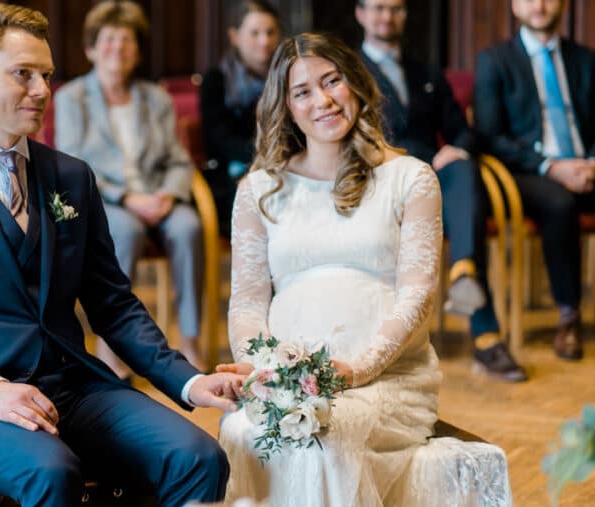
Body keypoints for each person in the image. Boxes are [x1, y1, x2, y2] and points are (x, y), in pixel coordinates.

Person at [0, 1, 243, 507]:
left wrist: (190, 380)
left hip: (73, 387)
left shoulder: (70, 177)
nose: (43, 90)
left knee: (196, 457)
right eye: (23, 74)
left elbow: (113, 304)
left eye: (46, 75)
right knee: (52, 473)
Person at [216, 33, 510, 506]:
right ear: (287, 107)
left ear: (355, 83)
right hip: (288, 380)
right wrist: (262, 369)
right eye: (303, 91)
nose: (324, 100)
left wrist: (357, 370)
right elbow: (249, 299)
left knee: (324, 439)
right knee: (244, 430)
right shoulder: (258, 189)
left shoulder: (411, 178)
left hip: (385, 379)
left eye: (333, 81)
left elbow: (417, 294)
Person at [354, 0, 525, 381]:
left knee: (465, 167)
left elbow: (463, 128)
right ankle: (394, 343)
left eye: (395, 8)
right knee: (447, 182)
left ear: (405, 15)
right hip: (377, 178)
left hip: (433, 174)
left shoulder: (424, 70)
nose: (387, 16)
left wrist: (457, 147)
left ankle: (469, 284)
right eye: (378, 7)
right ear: (361, 14)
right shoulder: (347, 71)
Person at [55, 0, 206, 372]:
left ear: (137, 50)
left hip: (158, 194)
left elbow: (178, 159)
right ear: (90, 48)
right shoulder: (71, 98)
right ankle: (110, 345)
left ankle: (189, 339)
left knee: (189, 226)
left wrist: (169, 194)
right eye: (108, 40)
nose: (117, 48)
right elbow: (73, 162)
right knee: (125, 227)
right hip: (103, 199)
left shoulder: (156, 99)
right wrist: (127, 197)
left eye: (126, 40)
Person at [474, 0, 595, 361]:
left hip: (588, 167)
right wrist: (553, 166)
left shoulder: (586, 59)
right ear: (516, 5)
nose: (539, 5)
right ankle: (569, 318)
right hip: (530, 172)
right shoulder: (495, 60)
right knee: (560, 204)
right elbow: (490, 136)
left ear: (562, 3)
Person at [200, 0, 283, 238]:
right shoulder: (217, 79)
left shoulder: (288, 77)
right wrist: (265, 161)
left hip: (283, 165)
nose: (264, 41)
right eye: (254, 33)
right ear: (235, 36)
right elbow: (218, 140)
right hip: (232, 171)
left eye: (270, 32)